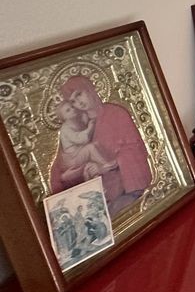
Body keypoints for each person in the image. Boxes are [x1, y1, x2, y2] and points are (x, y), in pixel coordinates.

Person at [50, 76, 152, 215]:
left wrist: (108, 165)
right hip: (98, 197)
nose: (79, 102)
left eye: (79, 94)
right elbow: (62, 167)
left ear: (89, 88)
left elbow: (135, 149)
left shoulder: (116, 113)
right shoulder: (77, 126)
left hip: (126, 190)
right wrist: (76, 173)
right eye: (73, 101)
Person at [54, 100, 114, 177]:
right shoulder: (65, 129)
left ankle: (99, 165)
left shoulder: (75, 122)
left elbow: (83, 126)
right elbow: (81, 139)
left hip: (79, 153)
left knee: (96, 144)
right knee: (90, 148)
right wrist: (89, 128)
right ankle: (105, 164)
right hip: (73, 159)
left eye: (72, 107)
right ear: (63, 117)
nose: (72, 109)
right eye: (68, 110)